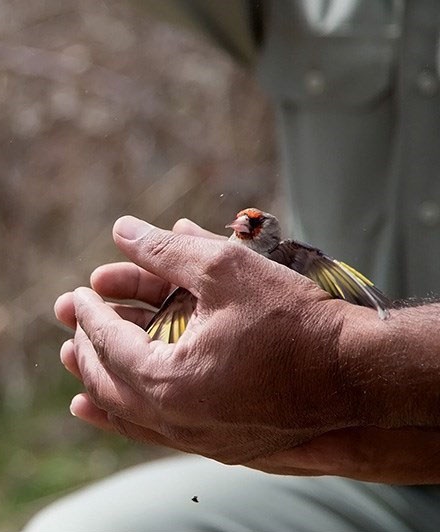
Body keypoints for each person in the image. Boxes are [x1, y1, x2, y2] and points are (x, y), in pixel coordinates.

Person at [25, 1, 440, 530]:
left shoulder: (302, 258)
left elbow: (337, 321)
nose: (243, 231)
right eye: (242, 226)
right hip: (351, 468)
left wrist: (344, 353)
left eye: (253, 226)